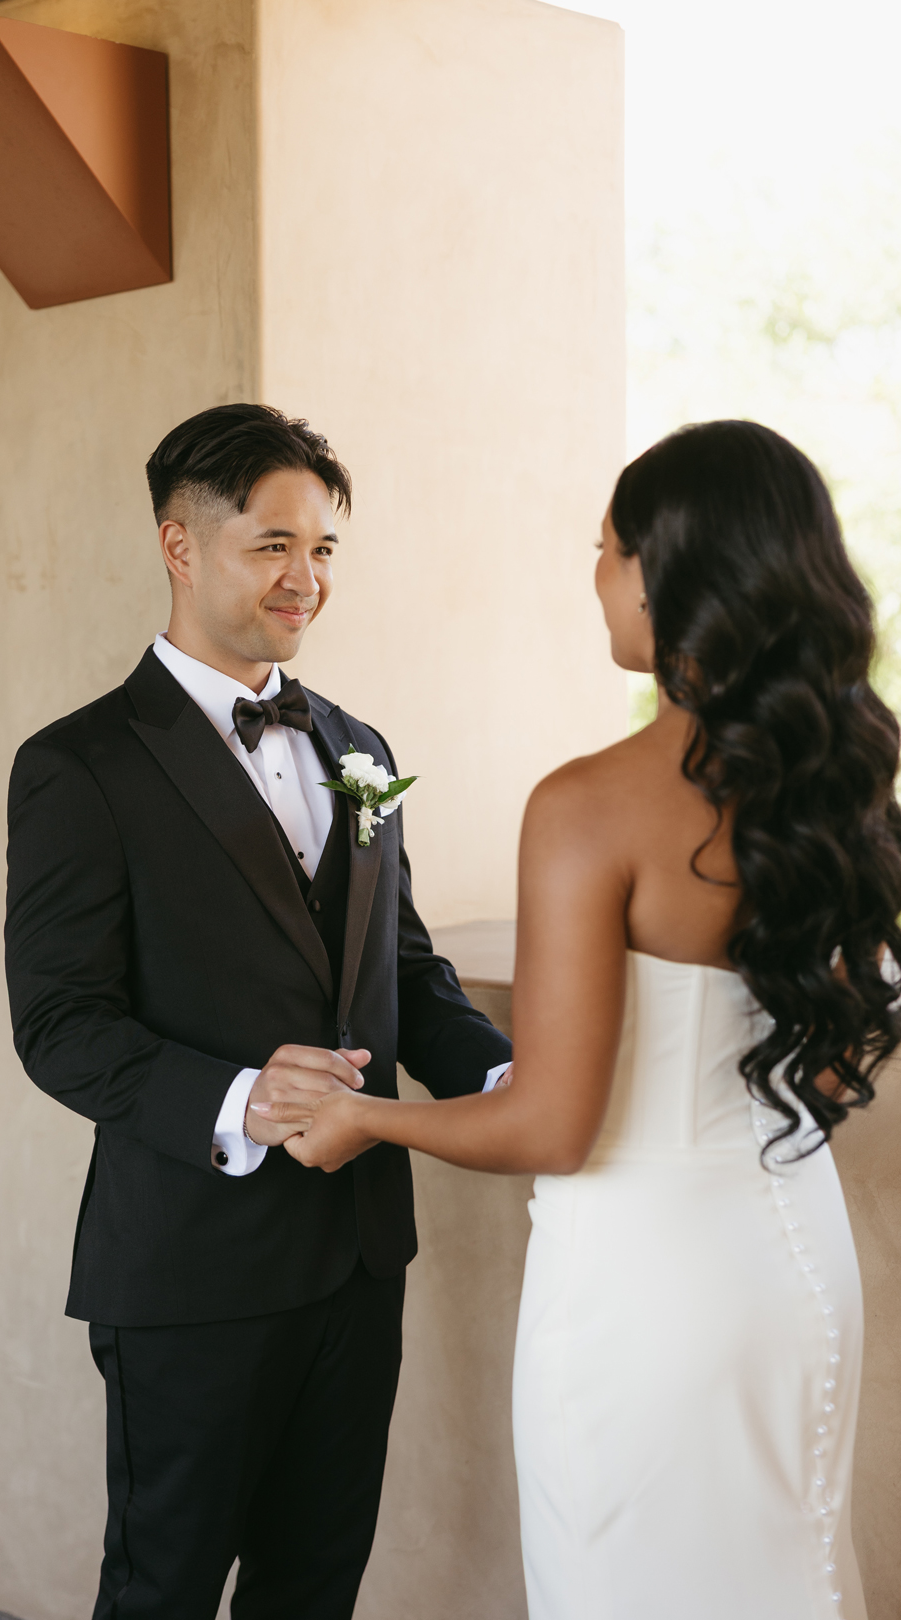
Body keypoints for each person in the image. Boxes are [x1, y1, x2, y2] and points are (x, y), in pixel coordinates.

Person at [273, 420, 901, 1620]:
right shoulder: (844, 785)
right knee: (789, 1574)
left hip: (639, 1288)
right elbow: (825, 1072)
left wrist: (365, 1118)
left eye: (607, 546)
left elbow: (556, 1128)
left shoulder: (587, 807)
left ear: (668, 573)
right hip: (794, 1267)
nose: (595, 572)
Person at [4, 402, 512, 1619]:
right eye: (274, 545)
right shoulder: (80, 766)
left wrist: (506, 1084)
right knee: (162, 1590)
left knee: (313, 1591)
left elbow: (408, 970)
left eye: (324, 549)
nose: (307, 578)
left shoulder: (359, 744)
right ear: (181, 546)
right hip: (190, 1270)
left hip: (358, 1262)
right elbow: (61, 1024)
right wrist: (245, 1101)